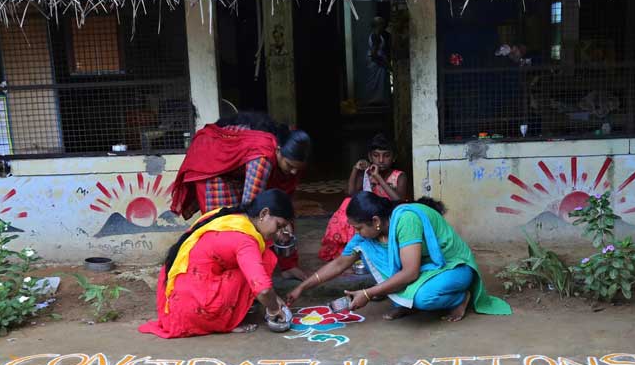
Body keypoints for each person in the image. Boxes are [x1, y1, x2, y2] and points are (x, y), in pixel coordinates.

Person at [289, 192, 511, 322]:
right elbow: (339, 263)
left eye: (358, 228)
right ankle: (407, 301)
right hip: (424, 271)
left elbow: (410, 272)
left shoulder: (406, 220)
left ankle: (460, 297)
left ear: (375, 221)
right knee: (367, 251)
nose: (356, 233)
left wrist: (367, 293)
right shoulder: (369, 235)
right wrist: (302, 288)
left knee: (425, 298)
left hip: (451, 268)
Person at [169, 111, 310, 280]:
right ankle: (225, 277)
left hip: (236, 168)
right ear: (278, 150)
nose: (293, 172)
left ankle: (248, 273)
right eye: (289, 165)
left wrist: (289, 262)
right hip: (213, 162)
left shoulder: (290, 163)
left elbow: (283, 207)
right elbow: (251, 212)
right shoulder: (263, 157)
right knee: (228, 227)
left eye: (297, 168)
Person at [139, 189, 294, 338]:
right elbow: (263, 290)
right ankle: (223, 322)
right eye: (279, 226)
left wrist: (275, 299)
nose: (279, 232)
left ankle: (226, 314)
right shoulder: (245, 240)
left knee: (260, 259)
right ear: (264, 214)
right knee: (263, 262)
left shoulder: (233, 217)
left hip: (177, 297)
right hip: (192, 307)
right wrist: (274, 309)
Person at [318, 134, 408, 262]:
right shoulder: (368, 174)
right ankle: (350, 248)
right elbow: (351, 193)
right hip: (370, 213)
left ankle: (364, 251)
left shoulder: (399, 176)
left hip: (388, 214)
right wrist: (356, 169)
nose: (381, 160)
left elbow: (399, 201)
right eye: (376, 156)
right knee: (347, 203)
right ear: (370, 157)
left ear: (394, 157)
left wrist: (379, 179)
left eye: (386, 156)